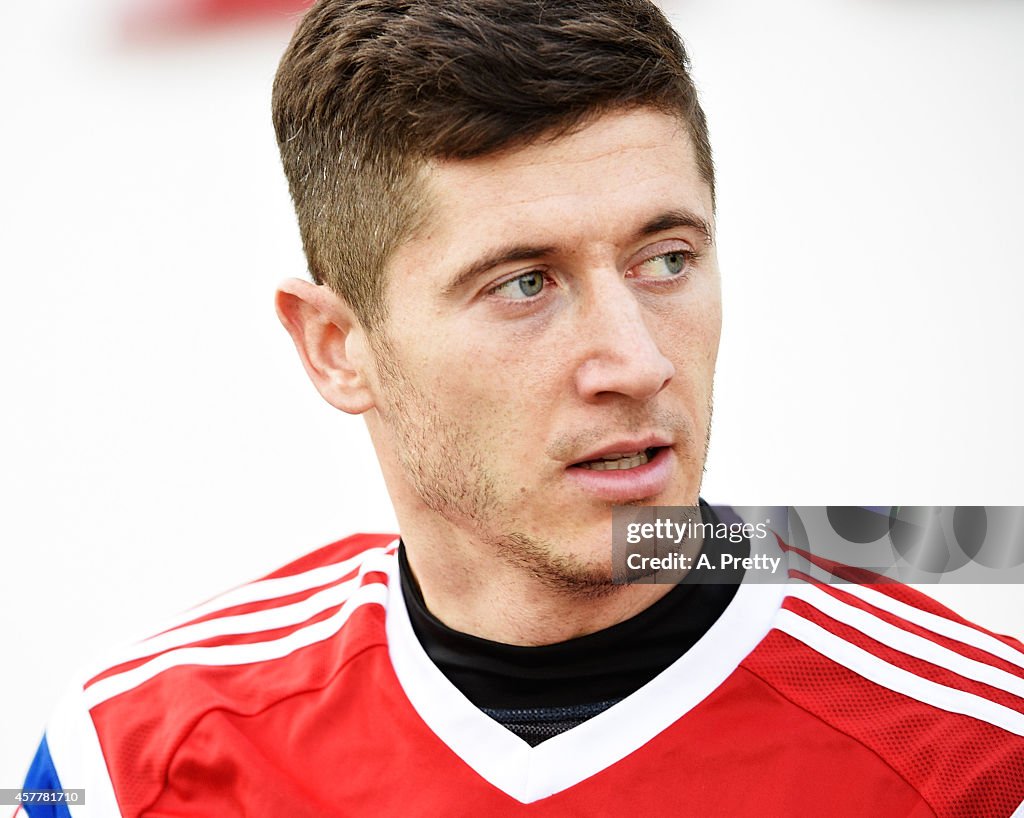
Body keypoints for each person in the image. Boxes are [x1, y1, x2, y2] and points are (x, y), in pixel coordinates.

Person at [17, 0, 1024, 816]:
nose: (632, 362)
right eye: (523, 283)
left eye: (665, 259)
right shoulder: (126, 762)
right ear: (336, 346)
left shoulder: (982, 752)